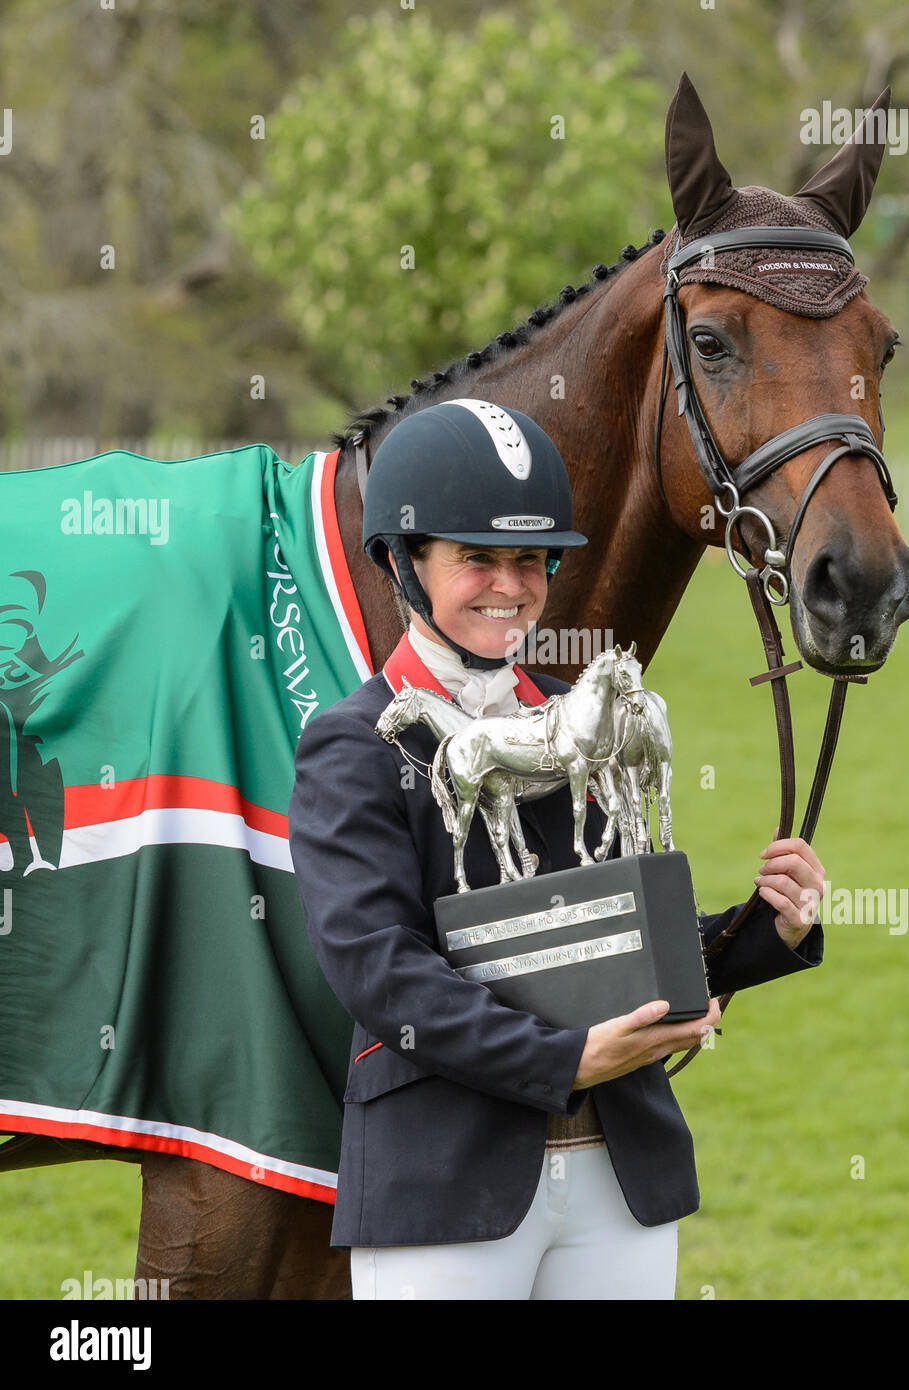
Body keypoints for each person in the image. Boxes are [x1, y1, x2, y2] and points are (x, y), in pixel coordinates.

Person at [288, 398, 826, 1300]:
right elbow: (378, 968)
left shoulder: (579, 718)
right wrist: (560, 1061)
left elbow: (612, 933)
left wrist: (762, 929)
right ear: (401, 562)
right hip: (447, 1184)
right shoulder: (351, 744)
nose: (513, 585)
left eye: (531, 560)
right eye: (478, 559)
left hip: (621, 1178)